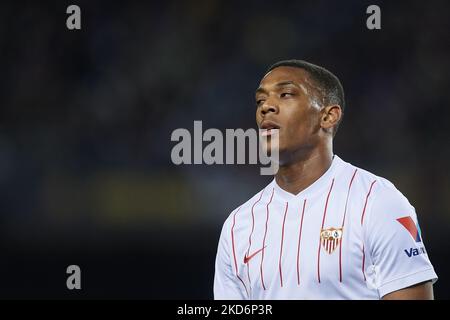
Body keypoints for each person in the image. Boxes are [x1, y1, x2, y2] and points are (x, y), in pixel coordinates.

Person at [213, 59, 437, 299]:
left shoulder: (378, 201)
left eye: (285, 94)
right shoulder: (238, 225)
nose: (266, 107)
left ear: (329, 116)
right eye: (260, 100)